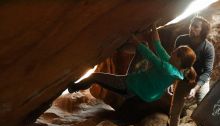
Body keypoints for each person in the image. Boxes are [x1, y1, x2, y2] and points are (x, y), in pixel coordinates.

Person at [68, 24, 196, 103]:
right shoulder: (175, 67)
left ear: (179, 60)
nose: (173, 52)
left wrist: (134, 40)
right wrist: (153, 25)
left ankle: (73, 88)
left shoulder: (168, 69)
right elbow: (159, 47)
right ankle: (120, 48)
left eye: (176, 52)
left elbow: (150, 56)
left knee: (95, 77)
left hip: (129, 87)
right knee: (144, 45)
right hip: (140, 80)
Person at [174, 16, 216, 126]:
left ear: (202, 31)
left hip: (201, 81)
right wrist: (172, 80)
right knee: (174, 112)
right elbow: (174, 62)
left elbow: (208, 72)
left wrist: (195, 88)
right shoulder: (181, 40)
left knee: (204, 114)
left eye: (196, 26)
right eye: (191, 25)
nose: (191, 28)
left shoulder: (208, 48)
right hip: (184, 78)